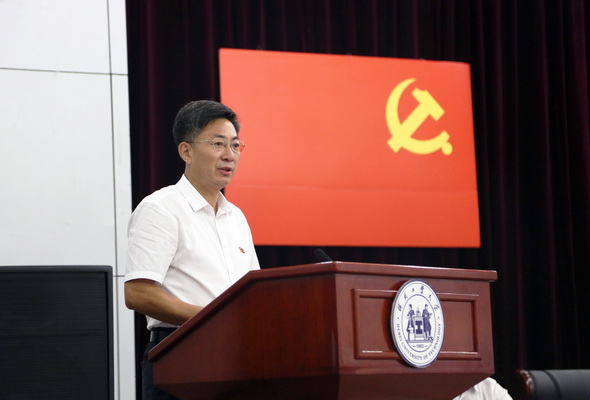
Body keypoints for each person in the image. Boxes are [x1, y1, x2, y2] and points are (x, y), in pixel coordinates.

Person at [124, 100, 260, 400]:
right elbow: (138, 293)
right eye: (218, 144)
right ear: (186, 151)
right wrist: (213, 319)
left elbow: (252, 295)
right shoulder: (161, 208)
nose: (229, 155)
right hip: (181, 352)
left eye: (235, 145)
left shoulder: (236, 217)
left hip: (238, 357)